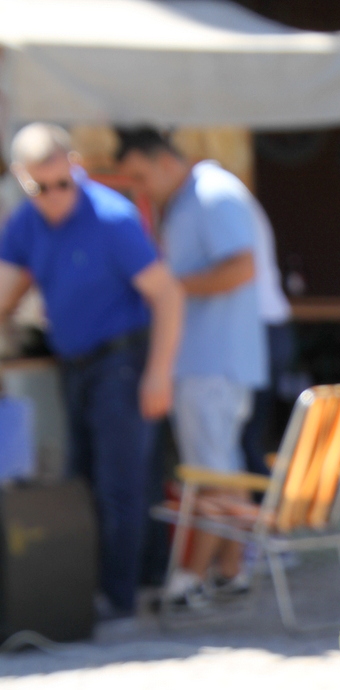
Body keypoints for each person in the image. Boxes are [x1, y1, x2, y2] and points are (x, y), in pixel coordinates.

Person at [0, 123, 183, 620]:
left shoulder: (112, 218)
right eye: (41, 188)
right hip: (73, 365)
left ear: (75, 167)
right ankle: (91, 589)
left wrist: (159, 373)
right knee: (80, 480)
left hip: (122, 362)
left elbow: (167, 295)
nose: (55, 196)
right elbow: (7, 289)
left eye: (63, 183)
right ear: (20, 178)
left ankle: (118, 599)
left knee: (119, 485)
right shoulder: (25, 223)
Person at [115, 128, 267, 611]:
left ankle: (190, 579)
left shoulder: (210, 195)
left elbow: (242, 268)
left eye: (141, 176)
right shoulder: (192, 197)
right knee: (222, 470)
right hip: (212, 362)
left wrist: (170, 289)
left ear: (165, 162)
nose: (139, 189)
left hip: (211, 364)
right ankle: (230, 571)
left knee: (209, 474)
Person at [241, 195, 296, 478]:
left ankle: (260, 503)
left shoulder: (220, 199)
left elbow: (240, 270)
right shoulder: (236, 198)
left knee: (245, 441)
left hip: (255, 331)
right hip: (268, 328)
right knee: (249, 440)